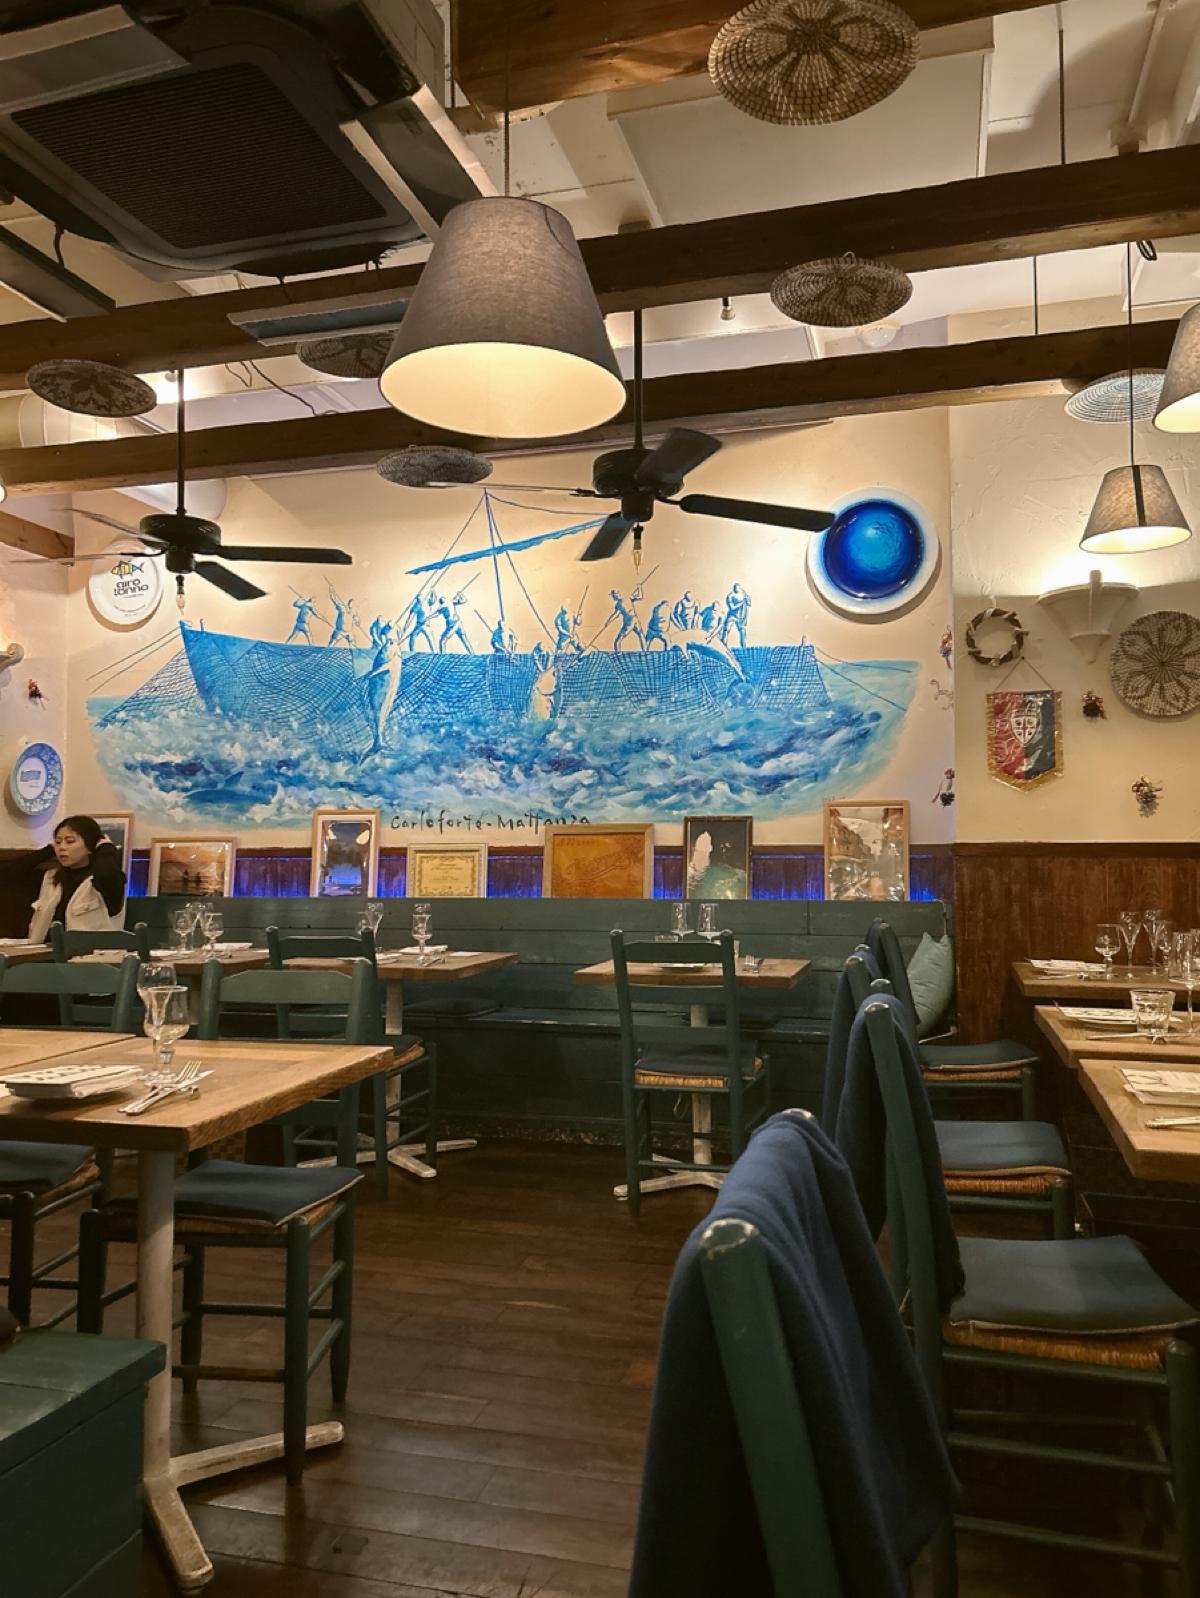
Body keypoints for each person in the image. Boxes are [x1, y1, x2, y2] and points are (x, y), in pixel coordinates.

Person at [8, 815, 127, 943]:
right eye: (58, 842)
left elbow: (106, 875)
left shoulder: (104, 880)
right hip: (45, 951)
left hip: (90, 953)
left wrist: (105, 846)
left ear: (90, 846)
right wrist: (49, 850)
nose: (62, 847)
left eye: (70, 841)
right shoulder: (51, 878)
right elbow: (11, 873)